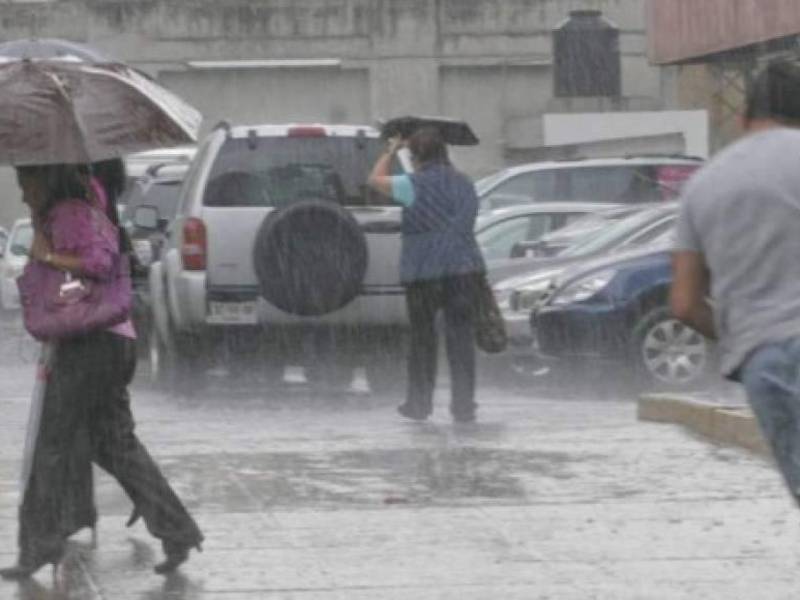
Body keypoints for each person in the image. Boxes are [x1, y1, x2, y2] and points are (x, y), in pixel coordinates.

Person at [0, 164, 203, 580]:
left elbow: (98, 262)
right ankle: (177, 529)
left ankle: (38, 546)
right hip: (108, 341)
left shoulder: (71, 211)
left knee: (51, 446)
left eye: (26, 184)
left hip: (91, 344)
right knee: (113, 444)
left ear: (47, 178)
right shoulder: (75, 207)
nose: (22, 194)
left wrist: (47, 255)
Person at [671, 59, 800, 508]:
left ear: (745, 118)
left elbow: (684, 304)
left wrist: (748, 337)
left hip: (763, 362)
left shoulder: (704, 185)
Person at [368, 127, 485, 422]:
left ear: (416, 156)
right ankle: (463, 406)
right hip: (463, 269)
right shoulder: (465, 184)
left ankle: (419, 404)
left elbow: (374, 180)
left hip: (423, 272)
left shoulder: (411, 184)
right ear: (444, 153)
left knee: (423, 339)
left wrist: (390, 151)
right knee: (461, 339)